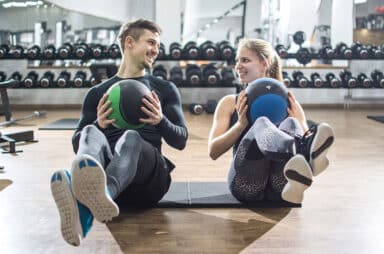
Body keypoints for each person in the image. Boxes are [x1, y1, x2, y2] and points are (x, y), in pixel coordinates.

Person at [50, 19, 188, 246]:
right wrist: (98, 124)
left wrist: (160, 120)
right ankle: (93, 200)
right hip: (113, 184)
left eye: (158, 46)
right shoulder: (98, 93)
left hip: (149, 182)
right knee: (89, 132)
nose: (155, 50)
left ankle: (88, 199)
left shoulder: (163, 88)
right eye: (151, 42)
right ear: (130, 42)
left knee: (131, 137)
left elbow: (181, 140)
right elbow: (78, 143)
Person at [208, 38, 334, 204]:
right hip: (246, 185)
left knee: (292, 124)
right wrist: (240, 125)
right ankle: (294, 150)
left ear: (264, 63)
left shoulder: (289, 103)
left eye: (245, 60)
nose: (238, 66)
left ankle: (300, 165)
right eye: (237, 60)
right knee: (261, 123)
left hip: (281, 188)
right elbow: (213, 152)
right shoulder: (230, 103)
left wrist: (299, 122)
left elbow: (302, 153)